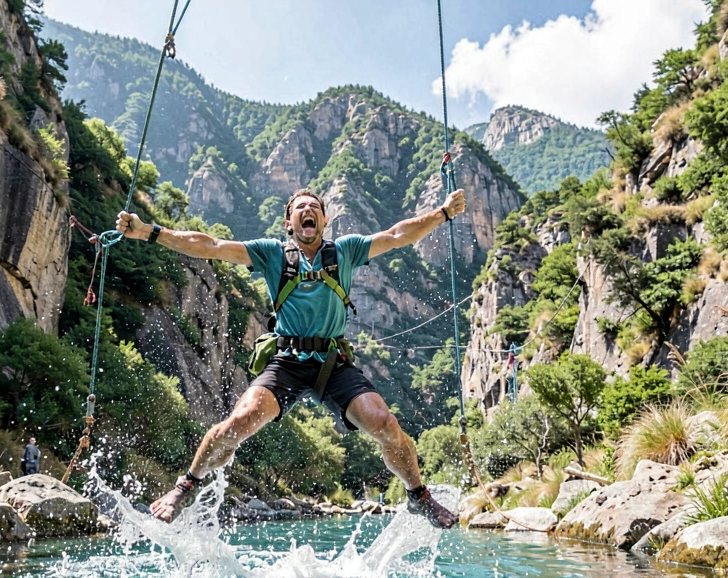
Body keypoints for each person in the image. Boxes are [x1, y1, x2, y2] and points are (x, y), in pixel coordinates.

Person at [115, 167, 466, 528]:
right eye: (300, 207)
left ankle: (419, 495)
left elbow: (396, 235)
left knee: (384, 423)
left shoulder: (346, 251)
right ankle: (186, 485)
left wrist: (442, 213)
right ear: (289, 223)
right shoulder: (271, 255)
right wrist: (148, 232)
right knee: (239, 421)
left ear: (325, 220)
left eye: (314, 206)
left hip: (334, 363)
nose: (307, 210)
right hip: (287, 360)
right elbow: (211, 246)